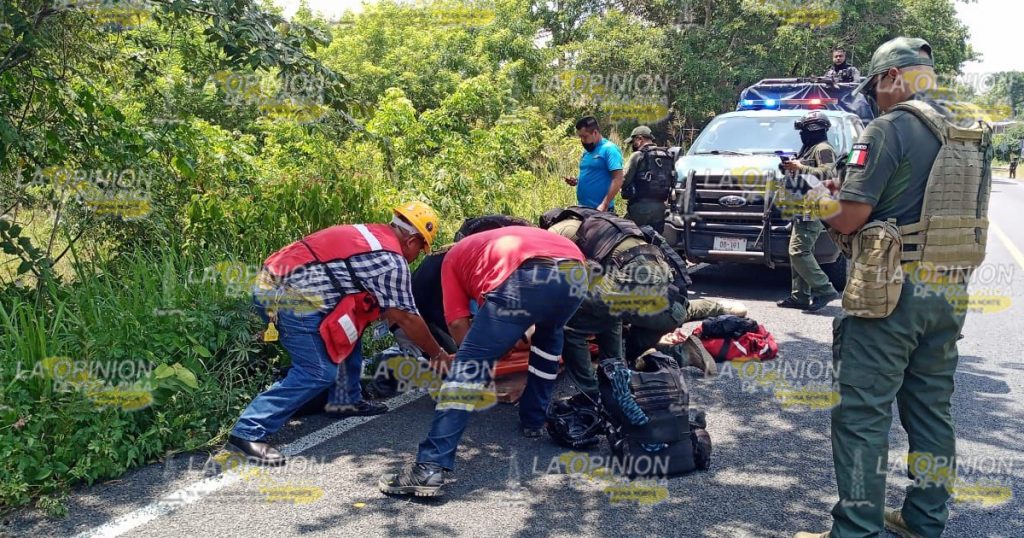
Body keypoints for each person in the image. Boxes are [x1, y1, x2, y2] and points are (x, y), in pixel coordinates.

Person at [795, 37, 992, 538]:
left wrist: (816, 195)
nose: (874, 99)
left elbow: (851, 215)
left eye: (876, 89)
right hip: (948, 289)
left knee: (862, 415)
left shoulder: (889, 128)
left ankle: (856, 530)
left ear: (890, 78)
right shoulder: (968, 132)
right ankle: (924, 520)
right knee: (931, 410)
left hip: (890, 292)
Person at [227, 202, 453, 466]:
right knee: (318, 371)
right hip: (287, 297)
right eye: (420, 250)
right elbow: (404, 316)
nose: (416, 257)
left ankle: (346, 399)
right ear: (413, 240)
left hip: (280, 283)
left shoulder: (370, 235)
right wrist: (437, 354)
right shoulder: (390, 260)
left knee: (350, 330)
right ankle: (248, 431)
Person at [379, 226, 587, 497]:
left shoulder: (452, 259)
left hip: (526, 276)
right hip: (576, 272)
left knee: (467, 371)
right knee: (548, 341)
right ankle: (534, 421)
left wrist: (475, 358)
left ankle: (429, 467)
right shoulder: (497, 239)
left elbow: (456, 322)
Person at [540, 207, 724, 407]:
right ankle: (618, 382)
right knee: (611, 316)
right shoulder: (599, 222)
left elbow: (549, 276)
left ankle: (590, 395)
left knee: (571, 327)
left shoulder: (554, 233)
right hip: (663, 279)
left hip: (632, 276)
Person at [777, 110, 840, 312]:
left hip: (813, 205)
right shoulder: (809, 148)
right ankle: (800, 296)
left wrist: (800, 167)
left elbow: (829, 173)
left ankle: (825, 289)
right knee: (800, 250)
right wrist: (789, 166)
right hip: (802, 204)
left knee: (799, 251)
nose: (801, 134)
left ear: (813, 129)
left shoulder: (822, 148)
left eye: (803, 130)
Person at [622, 125, 676, 234]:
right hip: (661, 207)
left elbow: (624, 180)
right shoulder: (667, 155)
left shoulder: (638, 155)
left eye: (633, 141)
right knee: (655, 240)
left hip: (640, 208)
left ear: (640, 139)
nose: (633, 145)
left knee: (631, 238)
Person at [563, 116, 624, 211]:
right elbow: (593, 174)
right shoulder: (587, 152)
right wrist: (576, 180)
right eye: (580, 137)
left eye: (585, 136)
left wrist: (605, 204)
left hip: (600, 210)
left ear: (595, 132)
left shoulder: (609, 149)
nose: (582, 140)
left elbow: (618, 178)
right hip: (583, 208)